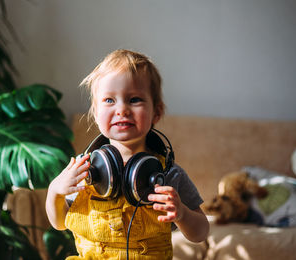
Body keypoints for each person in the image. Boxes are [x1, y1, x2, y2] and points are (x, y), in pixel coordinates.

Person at [46, 49, 209, 259]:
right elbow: (59, 223)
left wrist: (182, 214)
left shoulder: (168, 173)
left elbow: (201, 233)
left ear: (156, 113)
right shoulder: (82, 169)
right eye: (109, 100)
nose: (122, 109)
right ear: (95, 114)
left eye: (134, 100)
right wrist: (55, 193)